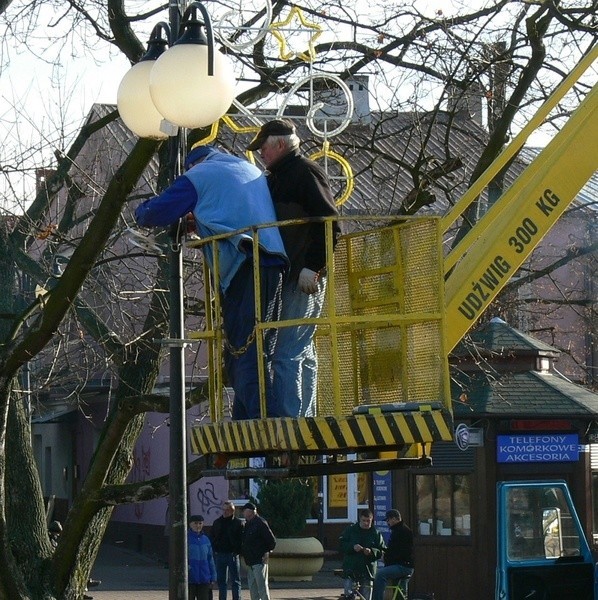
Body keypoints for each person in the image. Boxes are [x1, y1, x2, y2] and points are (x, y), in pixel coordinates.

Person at [135, 145, 288, 420]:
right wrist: (201, 221)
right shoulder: (245, 167)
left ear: (192, 165)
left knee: (245, 353)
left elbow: (155, 212)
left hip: (246, 265)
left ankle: (263, 428)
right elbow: (231, 210)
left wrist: (139, 211)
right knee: (247, 352)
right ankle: (249, 424)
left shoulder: (200, 174)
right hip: (270, 263)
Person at [247, 119, 341, 417]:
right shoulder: (278, 177)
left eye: (263, 147)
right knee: (301, 351)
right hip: (294, 275)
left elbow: (331, 223)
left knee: (287, 353)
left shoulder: (304, 172)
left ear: (279, 144)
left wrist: (313, 267)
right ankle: (304, 420)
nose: (260, 154)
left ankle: (292, 426)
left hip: (303, 275)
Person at [339, 509, 386, 600]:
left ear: (372, 520)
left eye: (368, 521)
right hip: (351, 568)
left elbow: (382, 550)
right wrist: (352, 547)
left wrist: (371, 552)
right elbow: (341, 545)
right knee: (349, 596)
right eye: (364, 520)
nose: (366, 523)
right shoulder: (350, 530)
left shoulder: (376, 533)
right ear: (360, 519)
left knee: (366, 597)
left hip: (367, 571)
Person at [372, 509, 414, 600]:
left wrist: (385, 557)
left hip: (403, 566)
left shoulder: (400, 532)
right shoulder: (401, 530)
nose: (387, 523)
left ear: (394, 519)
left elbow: (397, 551)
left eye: (388, 520)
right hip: (405, 565)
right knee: (399, 594)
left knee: (380, 574)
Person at [240, 502, 276, 600]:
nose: (243, 513)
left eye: (244, 511)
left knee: (262, 587)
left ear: (250, 511)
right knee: (253, 587)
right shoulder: (248, 524)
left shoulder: (260, 523)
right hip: (250, 561)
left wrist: (266, 552)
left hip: (259, 560)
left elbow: (272, 541)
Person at [210, 500, 244, 600]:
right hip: (220, 554)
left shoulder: (238, 523)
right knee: (221, 581)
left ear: (232, 511)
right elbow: (212, 536)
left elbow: (241, 539)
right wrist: (215, 549)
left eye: (228, 510)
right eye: (224, 509)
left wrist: (237, 551)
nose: (225, 512)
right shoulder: (217, 522)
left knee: (235, 581)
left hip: (232, 555)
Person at [187, 514, 217, 600]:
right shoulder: (186, 539)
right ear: (190, 524)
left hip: (204, 578)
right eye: (195, 523)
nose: (198, 526)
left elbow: (210, 559)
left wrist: (213, 576)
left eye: (200, 523)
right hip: (190, 578)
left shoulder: (206, 539)